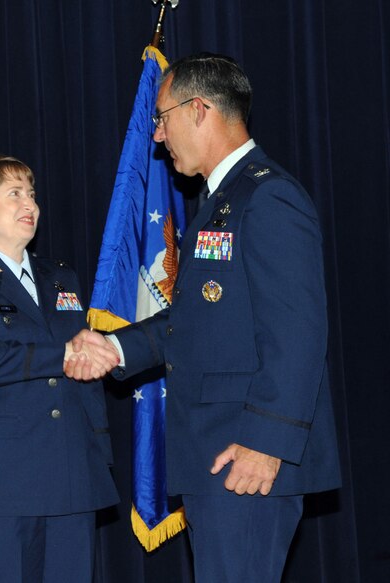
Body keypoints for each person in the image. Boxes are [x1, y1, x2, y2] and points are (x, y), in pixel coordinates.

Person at [85, 53, 341, 582]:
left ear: (198, 109)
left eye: (162, 117)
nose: (157, 135)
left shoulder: (268, 196)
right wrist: (117, 348)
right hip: (218, 454)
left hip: (246, 456)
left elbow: (298, 332)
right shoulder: (223, 199)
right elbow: (199, 319)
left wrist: (266, 444)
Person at [0, 156, 120, 582]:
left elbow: (88, 379)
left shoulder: (62, 277)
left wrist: (99, 456)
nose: (30, 204)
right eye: (14, 194)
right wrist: (63, 354)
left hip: (72, 474)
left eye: (32, 194)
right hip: (2, 482)